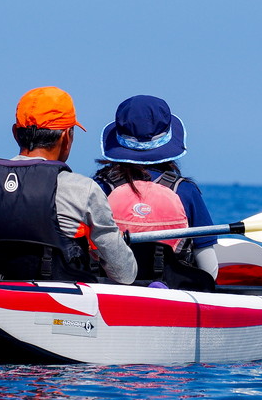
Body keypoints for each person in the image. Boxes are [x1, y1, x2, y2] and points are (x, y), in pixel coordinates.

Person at [0, 87, 137, 285]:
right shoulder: (83, 189)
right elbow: (125, 274)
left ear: (15, 132)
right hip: (60, 308)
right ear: (66, 136)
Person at [93, 94, 218, 291]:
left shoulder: (99, 187)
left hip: (111, 289)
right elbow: (208, 267)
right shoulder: (185, 191)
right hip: (172, 290)